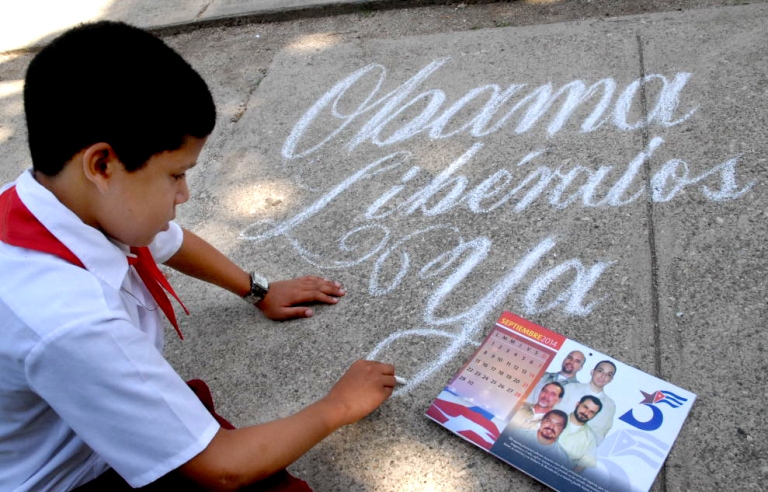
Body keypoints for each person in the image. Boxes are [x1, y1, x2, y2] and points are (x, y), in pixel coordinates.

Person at [0, 21, 396, 492]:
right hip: (69, 475)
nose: (184, 194)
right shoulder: (73, 321)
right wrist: (339, 407)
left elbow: (170, 241)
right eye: (175, 175)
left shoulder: (47, 203)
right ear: (102, 164)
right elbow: (221, 467)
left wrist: (257, 290)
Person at [556, 360, 617, 444]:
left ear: (611, 379)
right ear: (592, 372)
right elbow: (552, 411)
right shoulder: (570, 388)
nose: (603, 376)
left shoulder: (610, 405)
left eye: (608, 375)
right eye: (600, 371)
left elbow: (601, 433)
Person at [558, 395, 602, 473]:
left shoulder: (590, 439)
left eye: (592, 412)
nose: (586, 413)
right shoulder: (554, 418)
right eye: (585, 407)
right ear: (577, 404)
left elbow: (580, 467)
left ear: (595, 415)